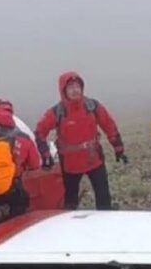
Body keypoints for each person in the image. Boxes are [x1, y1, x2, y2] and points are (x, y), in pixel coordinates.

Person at [35, 71, 126, 210]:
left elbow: (109, 125)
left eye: (78, 86)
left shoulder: (92, 106)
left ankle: (106, 222)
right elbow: (40, 132)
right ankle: (70, 226)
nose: (75, 90)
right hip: (70, 164)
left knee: (103, 197)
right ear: (63, 90)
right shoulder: (57, 112)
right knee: (70, 200)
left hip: (94, 159)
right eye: (70, 87)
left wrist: (118, 148)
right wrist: (45, 155)